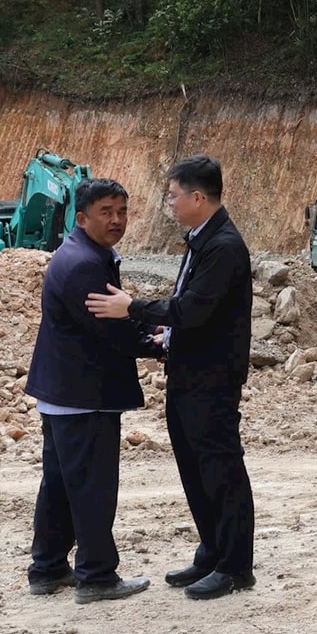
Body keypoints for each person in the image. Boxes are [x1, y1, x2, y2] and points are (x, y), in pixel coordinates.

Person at [87, 155, 255, 600]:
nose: (169, 203)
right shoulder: (201, 238)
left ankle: (236, 566)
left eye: (173, 196)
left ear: (198, 197)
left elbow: (194, 308)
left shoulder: (224, 246)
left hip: (213, 377)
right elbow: (190, 307)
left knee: (221, 468)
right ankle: (212, 551)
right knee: (194, 467)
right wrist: (167, 330)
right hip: (189, 370)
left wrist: (134, 307)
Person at [25, 177, 163, 604]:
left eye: (122, 211)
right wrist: (156, 344)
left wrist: (143, 325)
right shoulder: (84, 263)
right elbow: (108, 330)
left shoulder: (84, 254)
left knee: (62, 485)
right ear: (81, 217)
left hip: (64, 392)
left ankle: (47, 567)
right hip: (83, 395)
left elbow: (111, 317)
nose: (117, 220)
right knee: (92, 487)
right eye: (106, 212)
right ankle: (97, 575)